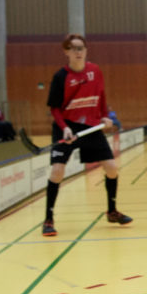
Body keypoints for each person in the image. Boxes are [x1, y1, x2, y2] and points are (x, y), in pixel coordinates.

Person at [42, 34, 133, 237]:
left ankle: (112, 211)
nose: (78, 51)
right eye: (73, 48)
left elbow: (101, 95)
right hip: (66, 127)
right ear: (66, 51)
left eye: (81, 48)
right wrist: (64, 128)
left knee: (111, 168)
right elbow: (55, 109)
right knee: (57, 172)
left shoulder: (95, 70)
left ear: (86, 50)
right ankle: (48, 219)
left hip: (90, 126)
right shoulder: (60, 77)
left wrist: (105, 116)